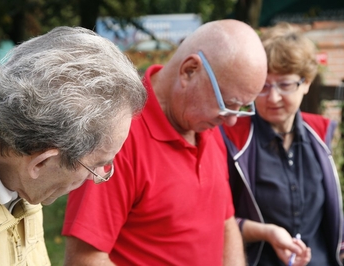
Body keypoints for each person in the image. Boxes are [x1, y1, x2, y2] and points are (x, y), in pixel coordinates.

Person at [62, 19, 267, 266]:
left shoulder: (205, 124)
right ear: (190, 70)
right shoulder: (116, 137)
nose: (232, 121)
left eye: (241, 107)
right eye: (227, 104)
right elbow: (84, 259)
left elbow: (225, 223)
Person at [0, 26, 147, 265]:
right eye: (96, 166)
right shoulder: (29, 174)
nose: (100, 176)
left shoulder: (22, 180)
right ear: (42, 162)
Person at [221, 22, 344, 266]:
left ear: (306, 83)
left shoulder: (320, 134)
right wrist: (266, 232)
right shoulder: (232, 139)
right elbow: (217, 218)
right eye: (263, 86)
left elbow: (333, 211)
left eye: (284, 85)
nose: (272, 97)